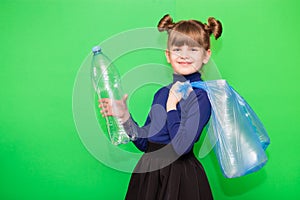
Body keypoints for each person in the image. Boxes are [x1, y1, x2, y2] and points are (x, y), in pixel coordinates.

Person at [99, 14, 222, 200]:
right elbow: (146, 144)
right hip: (148, 176)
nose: (184, 55)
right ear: (168, 55)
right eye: (178, 48)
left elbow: (182, 147)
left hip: (180, 180)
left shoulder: (201, 96)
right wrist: (125, 118)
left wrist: (172, 106)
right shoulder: (161, 93)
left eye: (194, 49)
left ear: (206, 55)